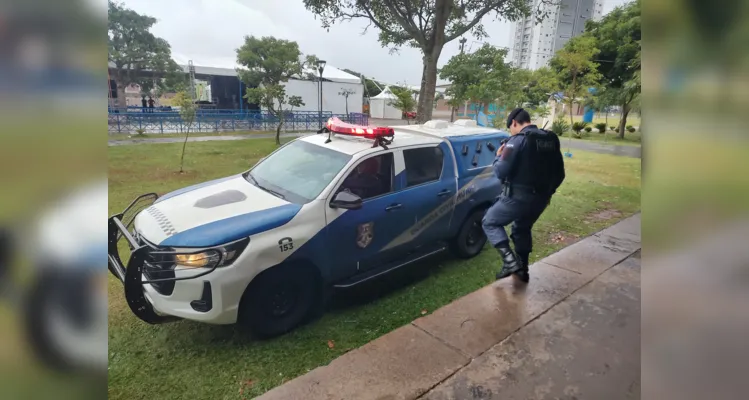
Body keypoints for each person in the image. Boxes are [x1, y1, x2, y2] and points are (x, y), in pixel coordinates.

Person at [482, 108, 565, 283]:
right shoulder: (550, 138)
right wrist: (548, 192)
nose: (511, 132)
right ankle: (522, 270)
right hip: (541, 200)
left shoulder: (517, 141)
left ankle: (510, 262)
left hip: (517, 198)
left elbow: (500, 171)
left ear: (514, 123)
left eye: (510, 127)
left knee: (490, 222)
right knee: (521, 228)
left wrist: (497, 157)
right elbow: (560, 173)